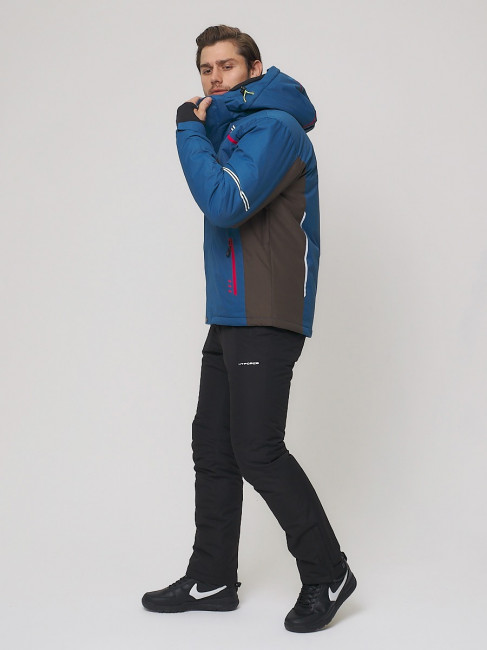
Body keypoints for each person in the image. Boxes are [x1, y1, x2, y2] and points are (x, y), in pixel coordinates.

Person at [142, 24, 356, 633]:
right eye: (206, 69)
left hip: (265, 310)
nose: (214, 79)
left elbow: (225, 203)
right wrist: (206, 130)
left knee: (257, 449)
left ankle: (329, 572)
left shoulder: (274, 128)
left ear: (254, 69)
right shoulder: (236, 129)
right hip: (233, 310)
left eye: (227, 67)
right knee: (213, 445)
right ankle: (212, 577)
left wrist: (188, 131)